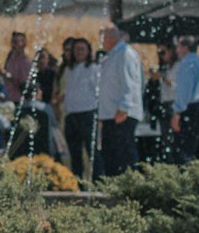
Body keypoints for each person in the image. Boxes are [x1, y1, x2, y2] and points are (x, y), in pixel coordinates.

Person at [96, 26, 144, 177]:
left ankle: (130, 186)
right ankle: (113, 187)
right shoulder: (112, 55)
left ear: (111, 38)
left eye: (103, 38)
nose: (102, 42)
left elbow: (130, 82)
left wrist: (124, 107)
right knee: (111, 155)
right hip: (110, 113)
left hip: (121, 113)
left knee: (124, 154)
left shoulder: (124, 53)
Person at [61, 38, 99, 179]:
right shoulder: (68, 69)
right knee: (74, 153)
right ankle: (78, 183)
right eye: (76, 49)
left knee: (92, 152)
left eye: (82, 49)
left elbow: (98, 92)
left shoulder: (93, 68)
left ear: (88, 51)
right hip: (72, 115)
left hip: (87, 114)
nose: (79, 52)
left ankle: (97, 182)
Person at [170, 36, 199, 163]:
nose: (176, 51)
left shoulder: (187, 64)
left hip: (191, 109)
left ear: (185, 48)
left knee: (183, 152)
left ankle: (185, 181)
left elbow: (184, 91)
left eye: (178, 47)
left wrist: (177, 113)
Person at [2, 31, 31, 103]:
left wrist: (7, 76)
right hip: (8, 98)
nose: (13, 45)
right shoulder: (10, 58)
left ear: (24, 44)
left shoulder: (25, 62)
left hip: (19, 101)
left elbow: (23, 85)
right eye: (12, 42)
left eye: (16, 42)